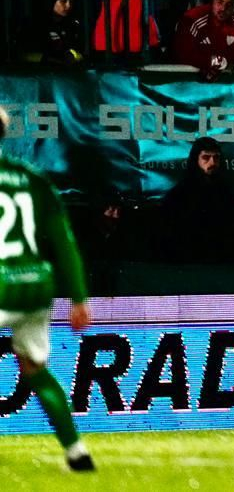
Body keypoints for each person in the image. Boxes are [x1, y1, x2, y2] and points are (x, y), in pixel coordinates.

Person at [0, 109, 95, 472]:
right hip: (36, 284)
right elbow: (64, 241)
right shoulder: (32, 178)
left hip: (2, 281)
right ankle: (76, 452)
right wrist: (79, 298)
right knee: (34, 368)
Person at [154, 136, 234, 265]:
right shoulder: (179, 195)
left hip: (222, 267)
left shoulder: (227, 194)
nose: (212, 163)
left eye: (216, 158)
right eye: (206, 158)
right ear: (195, 160)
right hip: (188, 267)